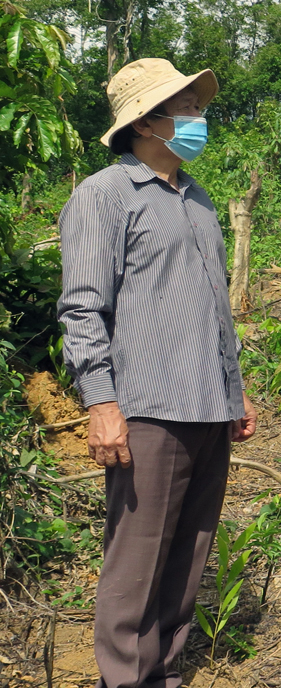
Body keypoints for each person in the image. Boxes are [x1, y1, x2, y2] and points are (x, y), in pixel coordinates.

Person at [59, 58, 257, 688]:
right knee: (135, 570)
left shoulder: (196, 199)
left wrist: (235, 392)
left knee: (185, 564)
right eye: (186, 108)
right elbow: (83, 305)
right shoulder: (104, 196)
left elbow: (214, 306)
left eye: (196, 106)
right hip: (147, 411)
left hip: (207, 408)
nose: (198, 118)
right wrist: (101, 403)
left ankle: (163, 676)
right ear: (147, 121)